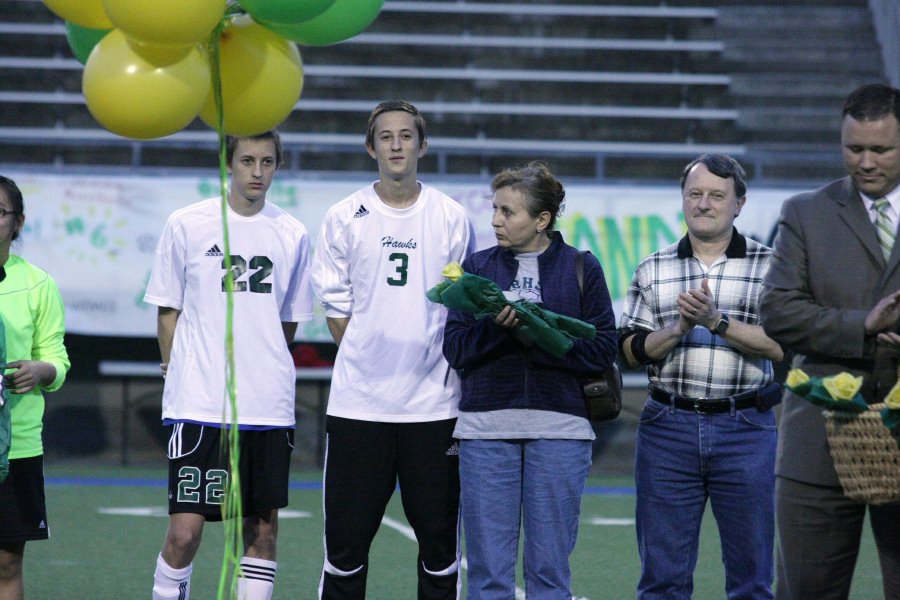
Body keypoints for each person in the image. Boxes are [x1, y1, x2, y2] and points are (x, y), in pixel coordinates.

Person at [310, 100, 475, 599]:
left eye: (406, 136)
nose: (397, 144)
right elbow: (335, 303)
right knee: (345, 549)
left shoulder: (450, 216)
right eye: (386, 136)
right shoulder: (344, 216)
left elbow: (461, 301)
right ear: (371, 147)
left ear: (422, 146)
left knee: (441, 549)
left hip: (434, 408)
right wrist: (367, 356)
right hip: (360, 407)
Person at [144, 130, 314, 600]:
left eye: (267, 162)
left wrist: (261, 364)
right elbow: (167, 311)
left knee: (261, 533)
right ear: (228, 163)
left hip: (266, 408)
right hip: (199, 404)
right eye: (247, 161)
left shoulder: (293, 233)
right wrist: (174, 369)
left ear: (278, 164)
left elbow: (287, 323)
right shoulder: (187, 224)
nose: (258, 172)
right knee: (185, 534)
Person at [442, 161, 617, 598]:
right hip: (485, 433)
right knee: (488, 576)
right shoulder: (475, 267)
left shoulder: (583, 267)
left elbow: (602, 349)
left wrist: (543, 335)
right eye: (495, 209)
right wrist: (496, 328)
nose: (495, 220)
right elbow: (456, 349)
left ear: (542, 220)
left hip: (561, 432)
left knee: (549, 573)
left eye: (508, 212)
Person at [619, 154, 784, 599]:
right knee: (662, 579)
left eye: (716, 195)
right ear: (683, 200)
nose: (704, 204)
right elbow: (629, 353)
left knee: (752, 578)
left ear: (739, 204)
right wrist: (677, 328)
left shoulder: (771, 267)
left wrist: (717, 322)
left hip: (746, 428)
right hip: (666, 429)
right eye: (695, 193)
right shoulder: (653, 268)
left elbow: (783, 346)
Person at [759, 83, 900, 600]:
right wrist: (861, 325)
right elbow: (777, 312)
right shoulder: (804, 213)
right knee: (807, 591)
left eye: (880, 150)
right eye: (853, 149)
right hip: (817, 443)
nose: (864, 162)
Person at [0, 175, 71, 600]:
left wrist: (40, 370)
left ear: (18, 223)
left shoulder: (38, 285)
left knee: (7, 561)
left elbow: (57, 359)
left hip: (16, 446)